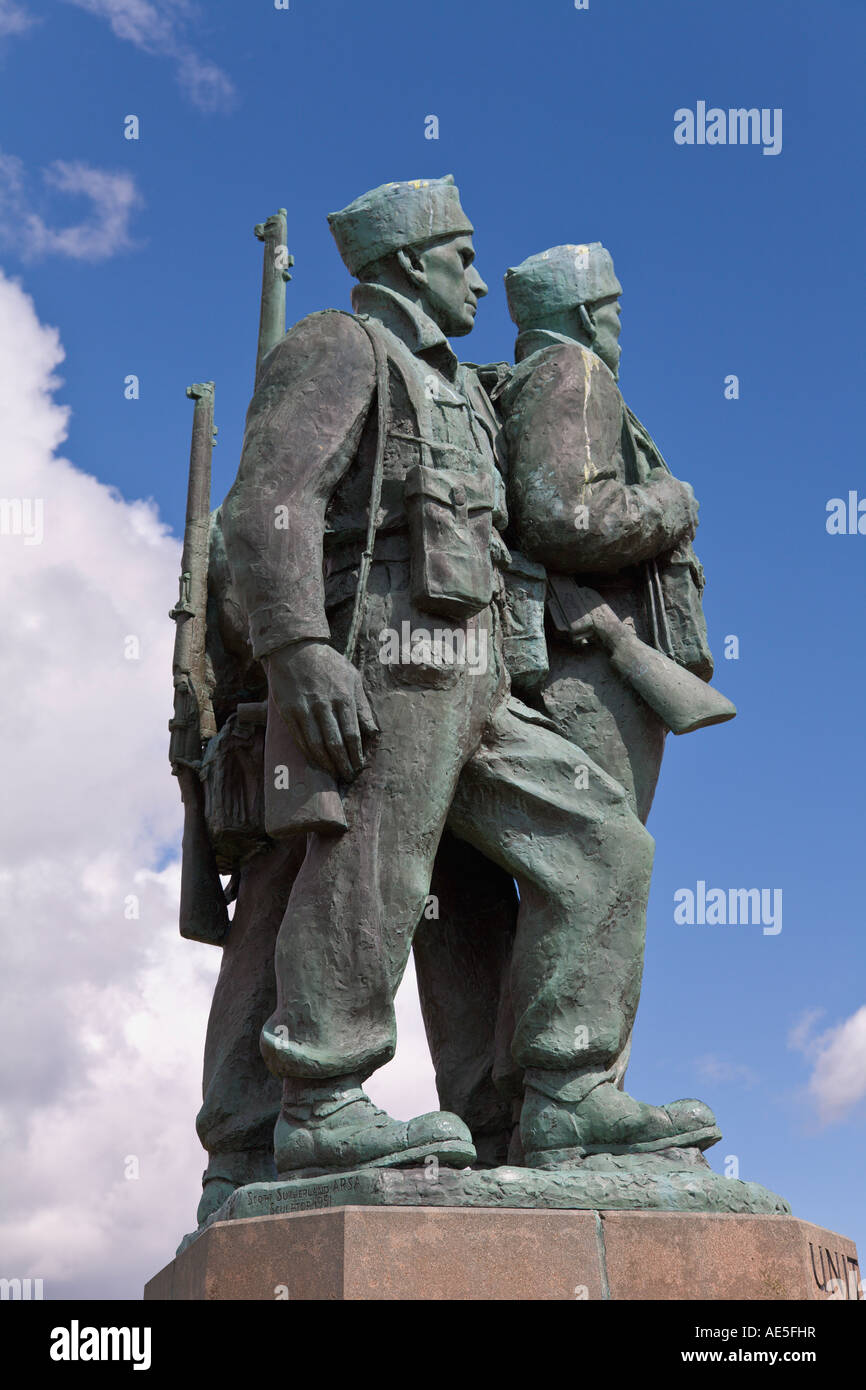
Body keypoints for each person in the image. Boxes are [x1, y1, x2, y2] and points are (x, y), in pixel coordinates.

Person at [218, 179, 718, 1177]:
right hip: (387, 660)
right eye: (461, 258)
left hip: (479, 676)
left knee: (603, 846)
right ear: (408, 264)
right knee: (372, 868)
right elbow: (266, 508)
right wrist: (299, 649)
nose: (480, 282)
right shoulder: (338, 346)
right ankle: (321, 1099)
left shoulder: (460, 387)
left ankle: (566, 1092)